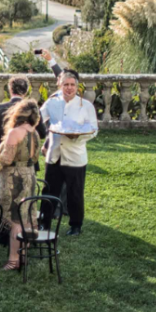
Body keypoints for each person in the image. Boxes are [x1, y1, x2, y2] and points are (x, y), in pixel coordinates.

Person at [40, 70, 98, 236]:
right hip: (54, 155)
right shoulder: (51, 103)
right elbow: (38, 119)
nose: (69, 88)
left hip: (75, 156)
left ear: (77, 86)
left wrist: (77, 137)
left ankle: (75, 225)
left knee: (75, 192)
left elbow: (93, 130)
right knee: (49, 190)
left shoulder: (86, 106)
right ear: (60, 84)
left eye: (72, 85)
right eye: (66, 84)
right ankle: (44, 222)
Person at [0, 100, 42, 271]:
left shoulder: (15, 132)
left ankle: (13, 260)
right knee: (25, 216)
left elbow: (7, 159)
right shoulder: (34, 132)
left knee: (15, 219)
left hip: (15, 179)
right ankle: (23, 255)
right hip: (29, 175)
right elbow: (34, 158)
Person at [0, 76, 47, 143]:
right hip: (26, 150)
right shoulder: (32, 108)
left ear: (10, 89)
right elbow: (42, 133)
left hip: (4, 148)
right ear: (26, 91)